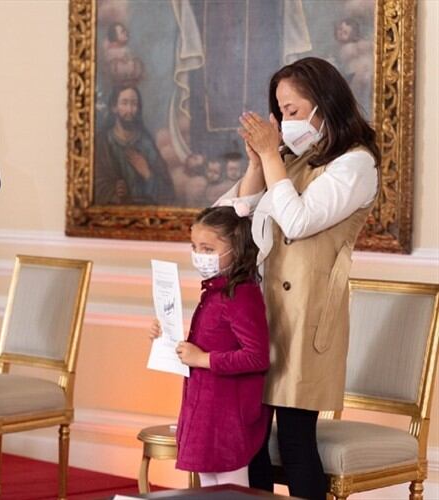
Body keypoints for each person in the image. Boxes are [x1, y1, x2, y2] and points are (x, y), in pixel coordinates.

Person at [230, 56, 379, 500]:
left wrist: (273, 155)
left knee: (296, 440)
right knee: (252, 439)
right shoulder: (291, 160)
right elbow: (239, 218)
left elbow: (297, 222)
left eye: (291, 111)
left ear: (325, 104)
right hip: (266, 313)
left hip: (310, 315)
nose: (282, 123)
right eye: (279, 112)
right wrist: (259, 163)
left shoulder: (355, 164)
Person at [148, 206, 270, 487]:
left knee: (230, 489)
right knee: (209, 488)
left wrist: (203, 359)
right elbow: (204, 345)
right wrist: (164, 335)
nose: (199, 255)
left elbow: (256, 357)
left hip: (229, 415)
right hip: (205, 408)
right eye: (194, 247)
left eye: (207, 248)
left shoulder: (241, 294)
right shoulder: (215, 292)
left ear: (237, 248)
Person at [94, 86, 175, 205]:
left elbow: (168, 193)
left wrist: (147, 174)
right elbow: (92, 184)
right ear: (114, 107)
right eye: (124, 103)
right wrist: (112, 190)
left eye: (134, 104)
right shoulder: (103, 142)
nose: (130, 110)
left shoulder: (146, 143)